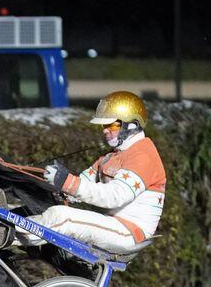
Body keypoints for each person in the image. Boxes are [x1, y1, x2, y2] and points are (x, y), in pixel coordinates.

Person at [11, 91, 166, 253]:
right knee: (44, 206)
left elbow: (114, 197)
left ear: (132, 125)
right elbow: (84, 181)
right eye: (104, 126)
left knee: (63, 218)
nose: (105, 131)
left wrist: (69, 183)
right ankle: (3, 224)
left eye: (111, 125)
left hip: (129, 231)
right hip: (112, 224)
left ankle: (7, 236)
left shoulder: (143, 155)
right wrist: (62, 188)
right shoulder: (111, 157)